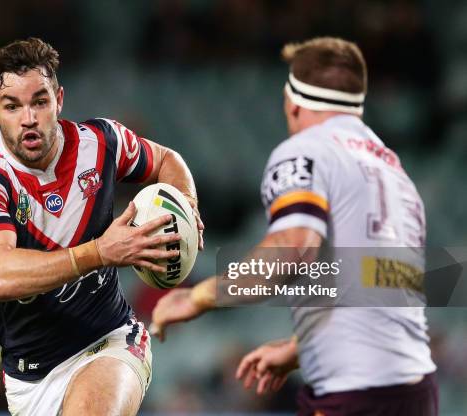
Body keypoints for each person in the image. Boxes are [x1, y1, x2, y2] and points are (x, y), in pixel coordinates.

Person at [152, 37, 438, 415]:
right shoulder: (395, 173)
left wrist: (198, 296)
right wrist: (300, 348)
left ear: (295, 101)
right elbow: (382, 288)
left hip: (351, 392)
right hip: (414, 391)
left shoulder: (306, 150)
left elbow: (294, 247)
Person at [0, 37, 203, 416]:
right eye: (12, 106)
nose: (29, 118)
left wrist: (188, 203)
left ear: (59, 100)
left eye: (40, 101)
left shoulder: (101, 142)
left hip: (110, 341)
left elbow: (168, 160)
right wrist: (100, 252)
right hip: (29, 379)